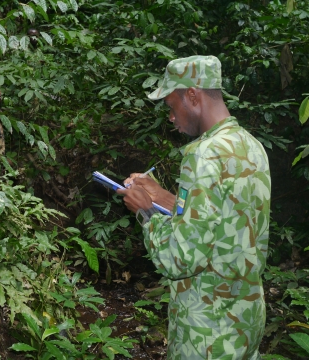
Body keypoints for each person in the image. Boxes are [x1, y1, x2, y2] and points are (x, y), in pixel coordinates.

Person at [117, 55, 271, 359]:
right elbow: (222, 220)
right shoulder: (251, 145)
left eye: (171, 107)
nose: (171, 117)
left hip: (207, 329)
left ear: (192, 95)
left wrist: (145, 212)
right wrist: (161, 197)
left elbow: (180, 258)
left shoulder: (202, 155)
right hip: (245, 321)